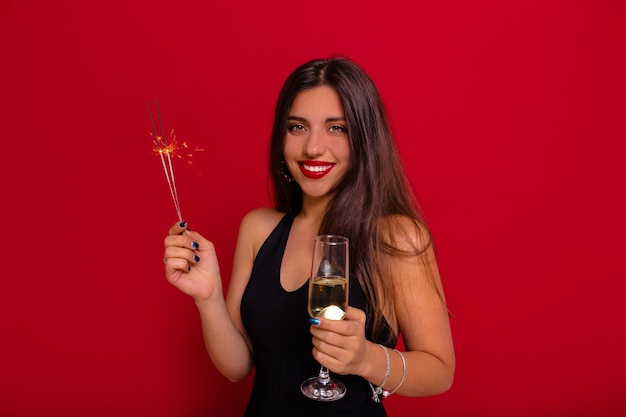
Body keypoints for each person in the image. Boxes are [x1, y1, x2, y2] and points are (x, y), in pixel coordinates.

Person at [163, 57, 455, 416]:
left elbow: (440, 372)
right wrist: (208, 298)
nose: (312, 148)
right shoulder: (258, 228)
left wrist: (366, 358)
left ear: (365, 139)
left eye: (337, 129)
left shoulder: (396, 237)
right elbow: (237, 367)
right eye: (297, 127)